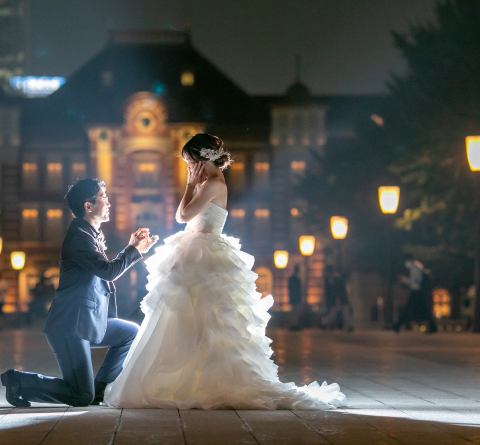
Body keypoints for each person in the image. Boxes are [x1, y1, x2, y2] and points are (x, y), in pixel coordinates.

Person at [104, 133, 346, 410]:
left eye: (189, 162)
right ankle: (190, 377)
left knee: (208, 318)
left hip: (203, 252)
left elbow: (181, 216)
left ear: (200, 159)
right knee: (188, 317)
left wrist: (188, 186)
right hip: (197, 249)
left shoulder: (213, 183)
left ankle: (210, 380)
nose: (188, 168)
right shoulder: (211, 182)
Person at [0, 179, 157, 407]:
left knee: (130, 332)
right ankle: (19, 382)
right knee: (81, 396)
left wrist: (132, 247)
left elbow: (105, 271)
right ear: (88, 206)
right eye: (103, 197)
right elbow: (108, 271)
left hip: (89, 321)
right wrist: (133, 250)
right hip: (70, 326)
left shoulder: (89, 234)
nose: (108, 202)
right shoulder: (79, 238)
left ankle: (101, 390)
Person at [393, 254, 437, 333]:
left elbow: (415, 282)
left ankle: (398, 325)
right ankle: (432, 326)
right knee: (420, 309)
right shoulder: (417, 266)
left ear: (408, 260)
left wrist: (404, 280)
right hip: (418, 292)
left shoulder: (414, 268)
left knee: (409, 309)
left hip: (416, 292)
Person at [288, 265, 304, 330]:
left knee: (294, 312)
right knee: (295, 312)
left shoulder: (291, 279)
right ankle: (294, 324)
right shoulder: (296, 279)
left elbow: (290, 289)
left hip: (293, 297)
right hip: (296, 298)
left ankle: (293, 324)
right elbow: (298, 290)